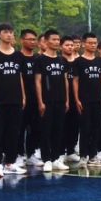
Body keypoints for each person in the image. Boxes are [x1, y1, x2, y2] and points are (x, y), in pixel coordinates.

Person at [0, 23, 27, 178]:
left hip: (15, 100)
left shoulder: (18, 56)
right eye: (5, 32)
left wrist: (23, 96)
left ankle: (10, 163)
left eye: (11, 32)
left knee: (14, 133)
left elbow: (20, 77)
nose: (9, 35)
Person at [35, 29, 70, 172]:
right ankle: (47, 159)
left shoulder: (62, 60)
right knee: (46, 130)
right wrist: (40, 102)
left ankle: (56, 158)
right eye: (53, 39)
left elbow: (65, 80)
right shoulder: (40, 60)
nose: (56, 42)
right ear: (46, 41)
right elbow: (38, 81)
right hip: (46, 101)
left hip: (60, 100)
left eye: (58, 40)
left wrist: (67, 100)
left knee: (58, 129)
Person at [73, 32, 101, 167]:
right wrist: (77, 99)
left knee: (96, 128)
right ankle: (83, 156)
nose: (93, 45)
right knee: (85, 128)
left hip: (98, 99)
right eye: (90, 43)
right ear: (83, 44)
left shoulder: (100, 61)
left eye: (95, 43)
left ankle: (93, 155)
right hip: (84, 100)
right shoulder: (78, 61)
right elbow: (75, 81)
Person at [18, 29, 41, 167]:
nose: (33, 42)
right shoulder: (16, 57)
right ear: (22, 40)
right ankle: (19, 154)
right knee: (20, 128)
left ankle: (31, 154)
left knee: (35, 128)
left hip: (36, 99)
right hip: (21, 99)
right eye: (30, 39)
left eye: (34, 40)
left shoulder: (38, 59)